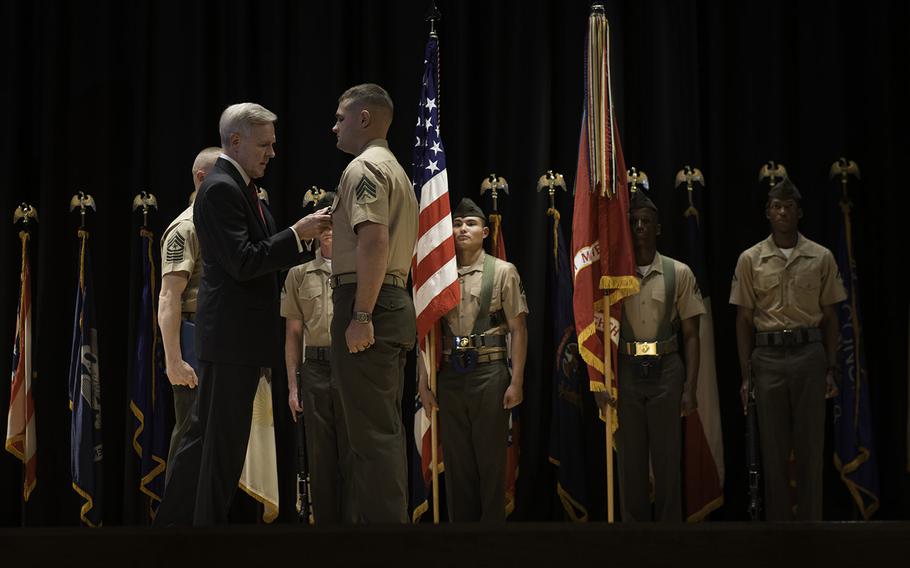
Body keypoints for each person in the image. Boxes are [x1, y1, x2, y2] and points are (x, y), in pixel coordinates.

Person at [155, 102, 331, 526]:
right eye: (264, 144)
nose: (272, 152)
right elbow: (243, 261)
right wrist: (296, 233)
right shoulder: (220, 189)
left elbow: (258, 258)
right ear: (235, 141)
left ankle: (176, 530)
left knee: (209, 439)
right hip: (230, 338)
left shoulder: (243, 187)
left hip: (240, 339)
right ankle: (198, 533)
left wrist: (300, 238)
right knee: (220, 443)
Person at [730, 177, 845, 521]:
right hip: (767, 358)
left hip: (809, 354)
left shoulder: (821, 256)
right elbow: (743, 320)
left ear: (799, 213)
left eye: (789, 207)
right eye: (776, 207)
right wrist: (746, 375)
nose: (782, 212)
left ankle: (812, 527)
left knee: (811, 448)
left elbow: (831, 317)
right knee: (773, 448)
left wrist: (831, 368)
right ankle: (779, 531)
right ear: (767, 213)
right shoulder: (750, 259)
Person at [329, 83, 418, 523]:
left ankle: (384, 542)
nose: (335, 126)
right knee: (381, 430)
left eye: (341, 117)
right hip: (393, 297)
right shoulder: (395, 169)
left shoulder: (364, 168)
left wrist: (361, 313)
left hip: (370, 301)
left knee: (369, 435)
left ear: (364, 118)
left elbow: (374, 240)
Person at [417, 198, 528, 522]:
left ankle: (491, 538)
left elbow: (519, 329)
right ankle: (461, 540)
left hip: (489, 373)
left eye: (470, 223)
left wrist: (516, 381)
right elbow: (425, 334)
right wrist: (424, 384)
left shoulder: (503, 271)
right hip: (450, 374)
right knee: (457, 464)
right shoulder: (439, 277)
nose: (463, 229)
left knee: (491, 462)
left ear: (485, 231)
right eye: (457, 223)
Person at [601, 189, 704, 522]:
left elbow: (691, 334)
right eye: (634, 222)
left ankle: (670, 535)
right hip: (627, 370)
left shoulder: (679, 273)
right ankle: (633, 538)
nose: (640, 227)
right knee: (629, 459)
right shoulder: (610, 278)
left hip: (666, 370)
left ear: (658, 228)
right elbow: (601, 334)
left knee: (667, 457)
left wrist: (690, 387)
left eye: (647, 221)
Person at [281, 190, 349, 524]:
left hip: (353, 366)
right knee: (321, 457)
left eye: (335, 219)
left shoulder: (363, 270)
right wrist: (293, 386)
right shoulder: (298, 275)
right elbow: (293, 334)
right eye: (322, 221)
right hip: (316, 368)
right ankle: (326, 533)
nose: (329, 227)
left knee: (355, 452)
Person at [158, 146, 219, 486]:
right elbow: (169, 297)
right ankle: (176, 527)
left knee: (214, 437)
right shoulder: (185, 228)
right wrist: (174, 360)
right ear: (201, 178)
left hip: (217, 335)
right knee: (191, 434)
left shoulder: (218, 223)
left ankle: (204, 524)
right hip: (193, 335)